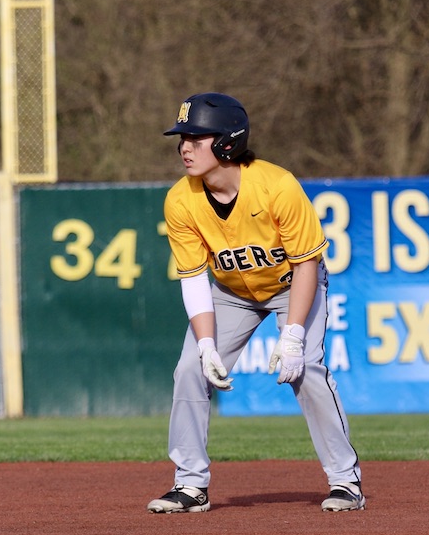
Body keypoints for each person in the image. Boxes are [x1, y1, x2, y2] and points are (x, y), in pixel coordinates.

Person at [147, 92, 365, 512]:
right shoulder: (181, 200)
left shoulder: (276, 185)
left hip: (293, 285)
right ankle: (190, 485)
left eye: (196, 137)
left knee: (309, 370)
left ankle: (346, 481)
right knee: (190, 368)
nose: (184, 147)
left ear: (228, 141)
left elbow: (306, 264)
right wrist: (207, 345)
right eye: (182, 138)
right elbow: (193, 277)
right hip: (231, 293)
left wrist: (294, 336)